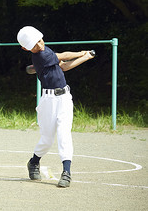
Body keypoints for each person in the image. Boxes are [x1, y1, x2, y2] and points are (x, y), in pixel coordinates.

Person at [17, 26, 95, 188]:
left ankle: (66, 172)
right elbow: (64, 57)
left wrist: (86, 57)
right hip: (48, 101)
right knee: (47, 139)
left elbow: (64, 66)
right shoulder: (42, 56)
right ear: (25, 48)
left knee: (64, 134)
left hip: (64, 98)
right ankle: (33, 162)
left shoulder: (45, 50)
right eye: (33, 44)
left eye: (39, 40)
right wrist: (81, 53)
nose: (39, 45)